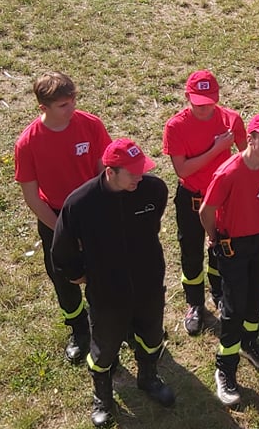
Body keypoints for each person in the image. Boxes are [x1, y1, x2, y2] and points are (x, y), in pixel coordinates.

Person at [51, 138, 174, 427]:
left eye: (142, 169)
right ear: (110, 172)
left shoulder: (154, 190)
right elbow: (62, 248)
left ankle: (148, 377)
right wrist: (77, 274)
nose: (139, 177)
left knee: (152, 335)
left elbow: (153, 224)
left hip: (148, 283)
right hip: (108, 291)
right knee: (104, 347)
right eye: (132, 173)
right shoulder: (80, 203)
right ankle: (103, 397)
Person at [14, 71, 112, 363]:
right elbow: (32, 197)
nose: (72, 108)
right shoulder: (28, 143)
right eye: (63, 105)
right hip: (55, 217)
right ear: (43, 107)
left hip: (93, 210)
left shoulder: (90, 125)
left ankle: (114, 322)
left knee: (106, 270)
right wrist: (64, 231)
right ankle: (79, 329)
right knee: (63, 277)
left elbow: (103, 169)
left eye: (73, 100)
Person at [199, 113, 259, 407]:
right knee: (234, 307)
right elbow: (206, 211)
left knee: (255, 295)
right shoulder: (228, 173)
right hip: (232, 244)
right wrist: (215, 239)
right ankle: (225, 367)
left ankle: (250, 342)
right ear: (250, 139)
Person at [162, 69, 247, 336]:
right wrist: (217, 149)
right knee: (191, 250)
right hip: (192, 197)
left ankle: (219, 292)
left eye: (209, 101)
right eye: (198, 102)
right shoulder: (175, 126)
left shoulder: (231, 120)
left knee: (220, 246)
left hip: (222, 197)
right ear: (187, 97)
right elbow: (183, 169)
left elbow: (245, 157)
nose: (204, 107)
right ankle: (195, 303)